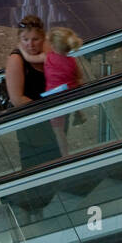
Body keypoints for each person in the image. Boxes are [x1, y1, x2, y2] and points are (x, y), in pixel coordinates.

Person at [4, 14, 60, 174]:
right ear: (19, 40)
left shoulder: (47, 50)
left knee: (54, 160)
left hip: (54, 118)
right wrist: (45, 114)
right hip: (32, 122)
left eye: (35, 39)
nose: (31, 44)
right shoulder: (16, 60)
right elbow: (17, 98)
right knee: (34, 164)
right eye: (25, 39)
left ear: (43, 38)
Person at [43, 26, 83, 156]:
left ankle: (65, 156)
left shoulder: (48, 58)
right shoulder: (72, 61)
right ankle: (79, 113)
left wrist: (22, 51)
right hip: (70, 95)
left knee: (58, 131)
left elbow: (32, 58)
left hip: (54, 99)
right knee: (75, 87)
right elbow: (79, 76)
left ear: (53, 45)